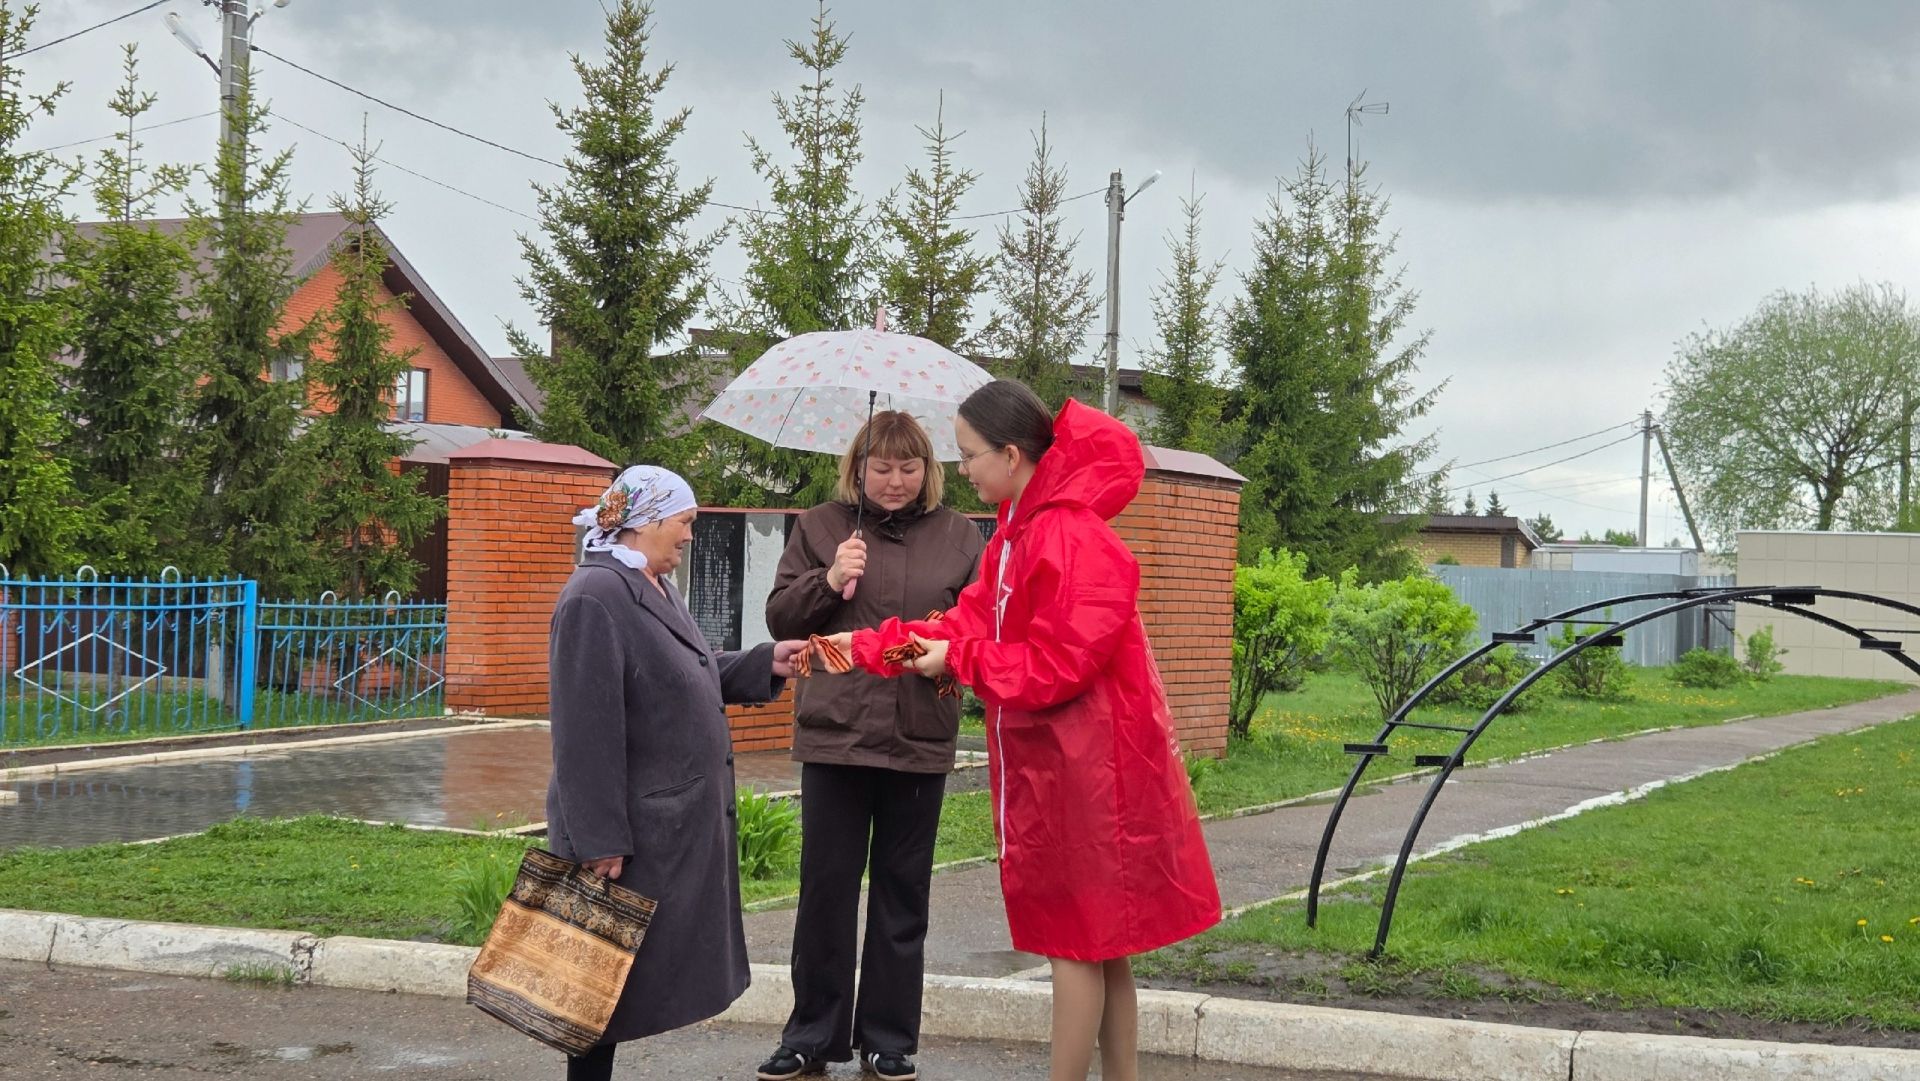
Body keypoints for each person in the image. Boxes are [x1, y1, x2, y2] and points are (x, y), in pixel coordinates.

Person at [822, 381, 1221, 1081]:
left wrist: (961, 658)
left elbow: (1058, 663)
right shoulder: (1017, 532)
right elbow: (958, 625)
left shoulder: (1070, 535)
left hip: (1092, 772)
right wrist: (842, 650)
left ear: (1011, 454)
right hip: (1067, 767)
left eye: (972, 455)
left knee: (1077, 947)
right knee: (1102, 947)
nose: (964, 469)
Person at [545, 464, 811, 1081]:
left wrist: (767, 661)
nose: (690, 535)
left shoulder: (647, 584)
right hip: (625, 832)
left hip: (662, 824)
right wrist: (598, 838)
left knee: (616, 979)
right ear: (648, 519)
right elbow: (584, 731)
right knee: (596, 983)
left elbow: (687, 671)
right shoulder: (594, 596)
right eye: (685, 522)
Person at [755, 412, 985, 1081]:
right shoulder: (821, 526)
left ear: (928, 471)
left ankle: (888, 1038)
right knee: (825, 891)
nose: (894, 480)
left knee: (901, 894)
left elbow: (975, 632)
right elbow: (780, 620)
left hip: (918, 737)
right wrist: (828, 580)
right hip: (836, 738)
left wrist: (945, 654)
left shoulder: (959, 536)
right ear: (858, 466)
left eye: (908, 468)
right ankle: (810, 1035)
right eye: (881, 467)